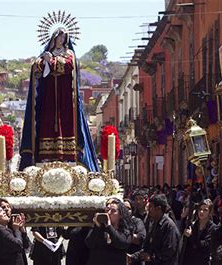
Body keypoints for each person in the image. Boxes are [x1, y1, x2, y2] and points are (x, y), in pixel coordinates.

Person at [19, 26, 99, 171]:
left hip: (65, 97)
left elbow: (69, 66)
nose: (61, 40)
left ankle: (66, 155)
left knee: (66, 122)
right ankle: (47, 155)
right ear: (54, 38)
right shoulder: (46, 54)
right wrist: (44, 62)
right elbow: (36, 67)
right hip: (48, 95)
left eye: (64, 37)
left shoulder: (69, 54)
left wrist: (52, 62)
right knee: (46, 121)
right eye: (59, 37)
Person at [132, 194, 180, 265]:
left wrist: (151, 257)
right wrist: (134, 256)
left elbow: (168, 252)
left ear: (158, 208)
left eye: (151, 207)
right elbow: (148, 246)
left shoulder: (169, 227)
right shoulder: (154, 223)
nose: (148, 210)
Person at [85, 198, 132, 265]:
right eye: (107, 210)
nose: (109, 213)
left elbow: (121, 243)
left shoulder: (126, 230)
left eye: (113, 211)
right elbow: (89, 243)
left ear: (120, 215)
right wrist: (97, 227)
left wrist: (109, 226)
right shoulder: (99, 227)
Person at [182, 199, 217, 265]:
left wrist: (191, 236)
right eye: (200, 209)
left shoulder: (213, 228)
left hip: (202, 261)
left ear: (210, 212)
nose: (201, 212)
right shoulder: (193, 225)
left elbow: (206, 245)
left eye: (205, 210)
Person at [123, 199, 146, 265]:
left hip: (133, 259)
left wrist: (122, 235)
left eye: (128, 208)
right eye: (123, 208)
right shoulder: (117, 222)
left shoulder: (137, 221)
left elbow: (140, 239)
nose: (126, 210)